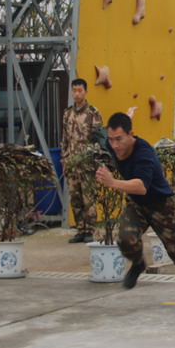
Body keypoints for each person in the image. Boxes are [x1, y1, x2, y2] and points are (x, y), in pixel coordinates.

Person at [95, 112, 175, 302]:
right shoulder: (112, 144)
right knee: (126, 239)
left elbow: (141, 187)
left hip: (161, 205)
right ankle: (138, 264)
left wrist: (112, 182)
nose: (115, 145)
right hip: (137, 204)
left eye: (119, 139)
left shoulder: (143, 152)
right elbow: (102, 132)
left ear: (131, 135)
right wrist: (127, 115)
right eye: (111, 140)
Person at [61, 78, 103, 244]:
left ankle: (90, 230)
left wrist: (94, 160)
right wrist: (64, 159)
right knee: (75, 198)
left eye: (80, 90)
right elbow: (65, 139)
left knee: (88, 199)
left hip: (87, 164)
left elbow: (99, 139)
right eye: (74, 90)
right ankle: (80, 230)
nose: (76, 94)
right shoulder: (67, 113)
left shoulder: (93, 113)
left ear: (86, 92)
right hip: (72, 163)